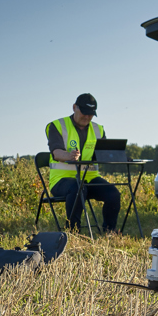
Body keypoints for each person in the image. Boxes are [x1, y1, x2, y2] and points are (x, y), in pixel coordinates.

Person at [46, 93, 121, 232]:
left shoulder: (98, 129)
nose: (87, 117)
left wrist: (121, 156)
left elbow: (104, 154)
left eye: (91, 114)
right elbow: (56, 152)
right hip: (62, 181)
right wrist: (69, 156)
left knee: (113, 194)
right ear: (74, 107)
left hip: (90, 179)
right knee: (78, 188)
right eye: (84, 112)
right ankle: (73, 231)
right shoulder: (57, 125)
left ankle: (109, 231)